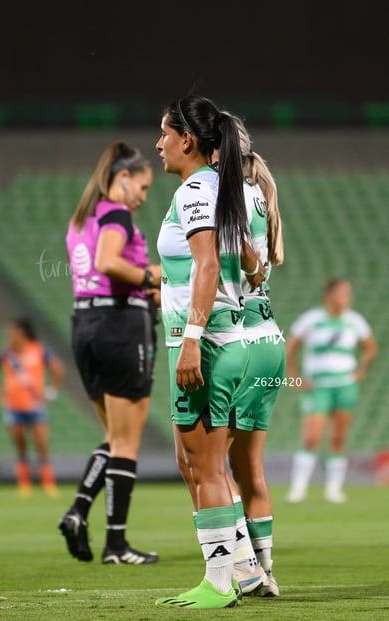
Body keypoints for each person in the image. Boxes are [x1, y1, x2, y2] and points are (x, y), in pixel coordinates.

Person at [154, 95, 265, 610]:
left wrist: (192, 340)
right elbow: (251, 261)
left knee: (205, 467)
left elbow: (207, 266)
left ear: (188, 140)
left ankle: (219, 582)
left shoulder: (197, 189)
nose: (158, 144)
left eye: (164, 134)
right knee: (198, 461)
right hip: (230, 336)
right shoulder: (228, 189)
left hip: (207, 340)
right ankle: (241, 568)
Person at [58, 140, 162, 565]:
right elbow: (107, 262)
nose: (142, 196)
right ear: (123, 178)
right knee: (127, 442)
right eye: (143, 187)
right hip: (120, 326)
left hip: (85, 324)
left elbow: (90, 268)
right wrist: (151, 276)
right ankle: (115, 545)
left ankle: (78, 512)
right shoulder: (116, 213)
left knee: (112, 437)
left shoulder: (81, 218)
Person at [225, 114, 285, 598]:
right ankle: (265, 572)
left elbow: (243, 259)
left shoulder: (231, 195)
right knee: (251, 470)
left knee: (206, 465)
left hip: (240, 339)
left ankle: (243, 568)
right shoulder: (260, 191)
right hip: (269, 339)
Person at [285, 277, 378, 503]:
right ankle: (298, 489)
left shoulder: (354, 321)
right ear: (329, 296)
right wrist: (295, 379)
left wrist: (361, 370)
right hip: (318, 385)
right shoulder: (311, 319)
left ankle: (333, 490)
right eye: (342, 293)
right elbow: (290, 349)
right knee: (312, 437)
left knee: (338, 437)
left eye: (348, 294)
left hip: (344, 384)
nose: (346, 298)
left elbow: (370, 348)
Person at [0, 316, 65, 497]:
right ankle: (24, 483)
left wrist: (51, 392)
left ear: (23, 333)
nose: (9, 336)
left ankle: (48, 483)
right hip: (13, 406)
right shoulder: (5, 353)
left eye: (13, 332)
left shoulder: (39, 350)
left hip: (35, 405)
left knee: (41, 444)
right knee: (20, 445)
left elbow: (58, 370)